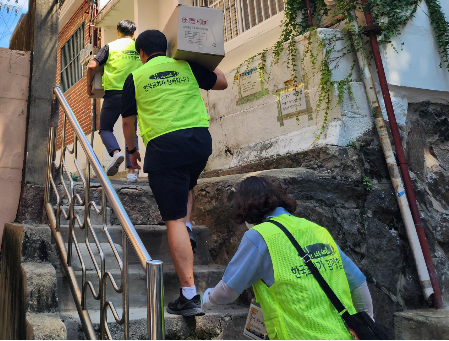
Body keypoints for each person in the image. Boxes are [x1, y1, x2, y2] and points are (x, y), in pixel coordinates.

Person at [121, 29, 228, 316]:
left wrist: (132, 153)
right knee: (187, 186)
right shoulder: (186, 66)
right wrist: (200, 55)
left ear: (141, 54)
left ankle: (190, 296)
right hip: (198, 144)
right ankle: (189, 230)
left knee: (173, 219)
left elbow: (128, 123)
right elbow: (223, 81)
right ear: (168, 49)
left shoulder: (136, 78)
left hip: (165, 148)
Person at [201, 176, 374, 339]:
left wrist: (207, 300)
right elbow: (358, 281)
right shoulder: (316, 230)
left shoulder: (259, 236)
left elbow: (227, 292)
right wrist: (368, 326)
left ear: (245, 208)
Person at [86, 19, 143, 183]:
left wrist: (89, 86)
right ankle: (132, 172)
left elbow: (91, 66)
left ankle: (116, 153)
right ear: (133, 34)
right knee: (131, 131)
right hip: (134, 94)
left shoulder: (110, 47)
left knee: (105, 128)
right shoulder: (139, 48)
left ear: (118, 31)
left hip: (113, 94)